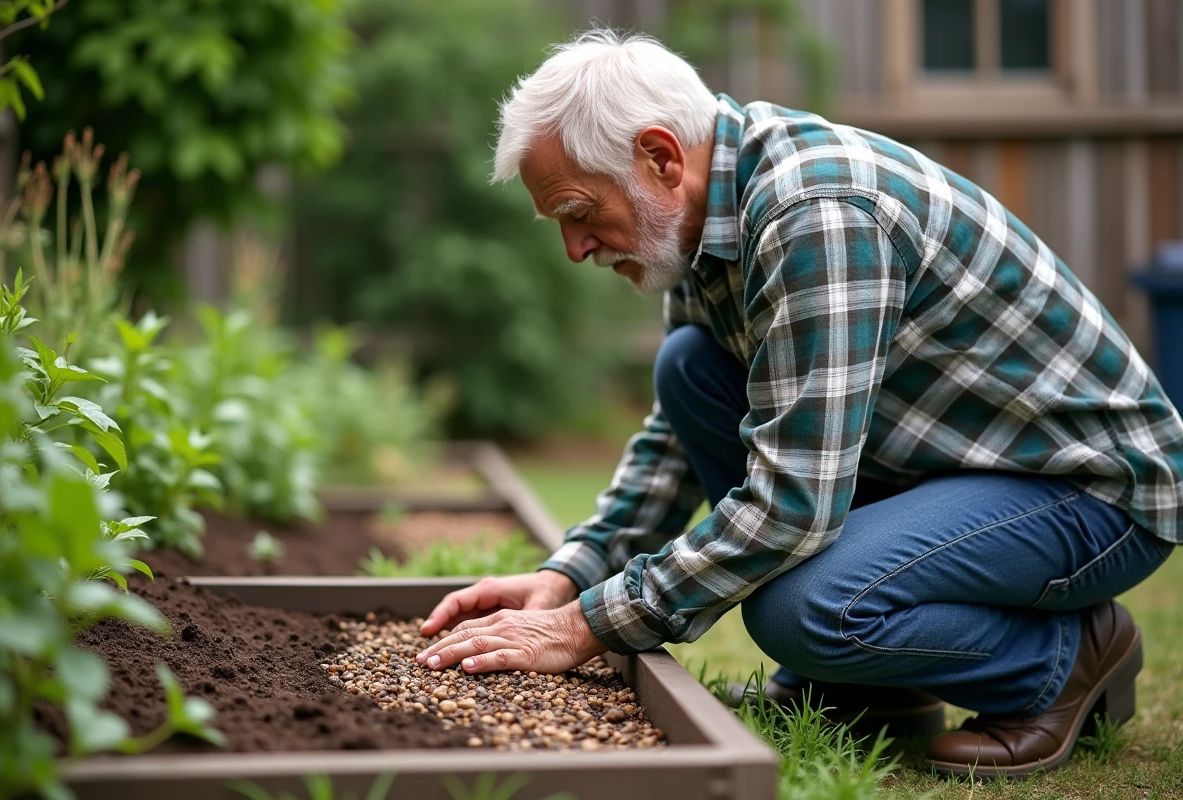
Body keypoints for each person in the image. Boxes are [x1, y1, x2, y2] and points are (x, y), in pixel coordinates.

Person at [415, 29, 1182, 778]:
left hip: (1087, 493)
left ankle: (1062, 663)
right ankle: (870, 691)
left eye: (579, 212)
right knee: (689, 365)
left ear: (659, 157)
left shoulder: (816, 212)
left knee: (803, 610)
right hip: (954, 466)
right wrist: (570, 576)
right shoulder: (705, 225)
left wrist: (587, 625)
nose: (575, 248)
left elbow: (794, 507)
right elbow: (677, 442)